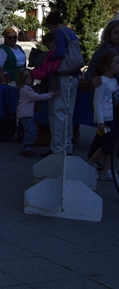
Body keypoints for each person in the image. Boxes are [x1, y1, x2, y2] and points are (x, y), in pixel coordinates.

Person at [41, 11, 81, 157]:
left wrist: (46, 58)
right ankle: (66, 145)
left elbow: (59, 53)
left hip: (64, 75)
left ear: (52, 25)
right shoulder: (70, 33)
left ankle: (57, 148)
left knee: (57, 111)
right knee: (68, 112)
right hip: (73, 75)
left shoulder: (59, 33)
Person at [87, 52, 119, 180]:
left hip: (114, 117)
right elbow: (97, 102)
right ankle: (91, 162)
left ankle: (106, 170)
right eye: (116, 63)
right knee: (110, 144)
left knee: (110, 143)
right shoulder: (102, 81)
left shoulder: (114, 80)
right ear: (107, 66)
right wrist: (100, 120)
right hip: (105, 118)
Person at [16, 68, 56, 157]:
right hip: (26, 114)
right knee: (31, 131)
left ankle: (26, 147)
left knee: (29, 131)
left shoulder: (25, 89)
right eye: (30, 78)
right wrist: (50, 94)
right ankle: (26, 148)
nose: (32, 79)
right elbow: (37, 97)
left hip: (25, 114)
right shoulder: (26, 90)